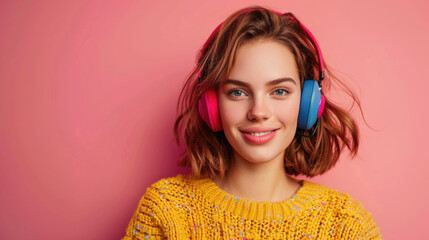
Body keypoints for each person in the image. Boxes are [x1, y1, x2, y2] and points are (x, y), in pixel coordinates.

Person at [122, 6, 382, 239]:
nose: (258, 112)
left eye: (279, 91)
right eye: (238, 92)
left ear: (308, 105)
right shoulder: (165, 211)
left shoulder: (348, 226)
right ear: (211, 107)